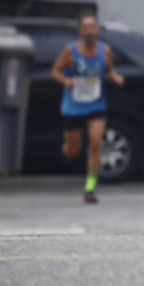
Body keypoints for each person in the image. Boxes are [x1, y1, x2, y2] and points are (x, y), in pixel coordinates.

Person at [51, 14, 125, 203]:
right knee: (73, 151)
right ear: (80, 31)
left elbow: (108, 70)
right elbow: (55, 71)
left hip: (95, 103)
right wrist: (66, 80)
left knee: (95, 142)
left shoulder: (104, 50)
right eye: (86, 27)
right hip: (73, 106)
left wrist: (115, 77)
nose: (90, 30)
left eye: (93, 26)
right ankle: (65, 150)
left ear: (98, 30)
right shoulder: (70, 50)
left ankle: (90, 188)